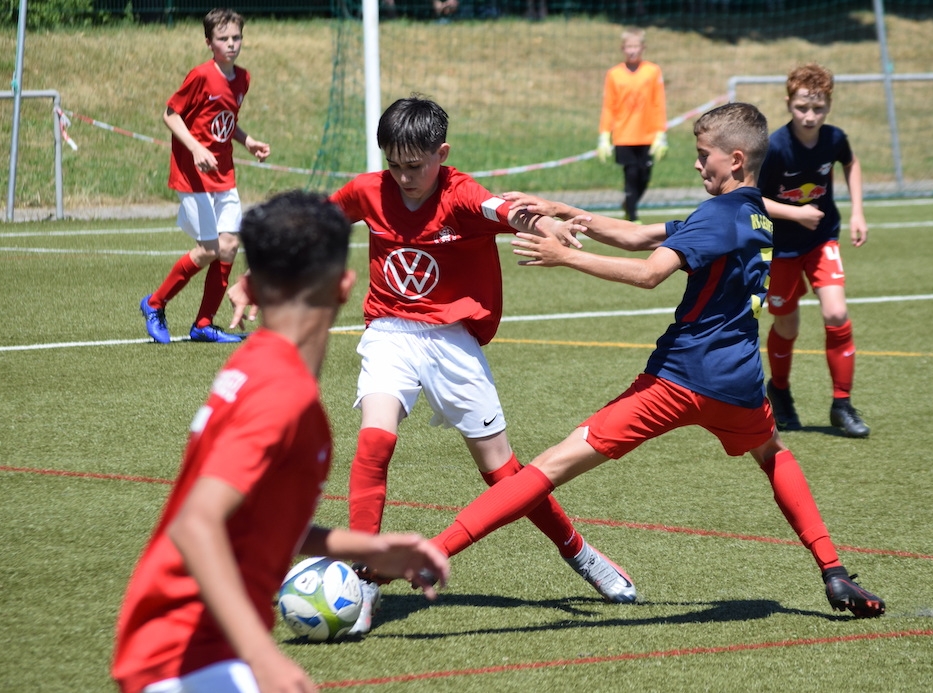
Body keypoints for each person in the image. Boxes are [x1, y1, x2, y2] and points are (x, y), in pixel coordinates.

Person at [428, 102, 885, 620]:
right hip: (739, 386)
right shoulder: (754, 215)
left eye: (703, 155)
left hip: (678, 380)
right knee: (773, 453)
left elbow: (649, 272)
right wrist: (559, 208)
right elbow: (638, 234)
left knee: (550, 466)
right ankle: (833, 571)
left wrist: (567, 256)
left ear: (735, 159)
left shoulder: (716, 215)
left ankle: (430, 552)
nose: (697, 163)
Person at [229, 95, 636, 637]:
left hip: (453, 342)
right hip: (389, 332)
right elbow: (309, 227)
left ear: (441, 154)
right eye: (394, 165)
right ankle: (364, 580)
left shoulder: (461, 194)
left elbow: (505, 210)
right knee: (375, 441)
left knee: (504, 474)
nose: (404, 177)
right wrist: (255, 278)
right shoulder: (368, 190)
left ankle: (578, 551)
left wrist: (542, 223)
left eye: (415, 165)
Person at [112, 190, 450, 693]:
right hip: (184, 659)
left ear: (250, 286)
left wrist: (370, 548)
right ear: (345, 286)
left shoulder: (256, 364)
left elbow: (257, 524)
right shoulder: (282, 393)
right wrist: (264, 658)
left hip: (183, 651)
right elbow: (196, 524)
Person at [139, 8, 270, 345]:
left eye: (236, 37)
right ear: (209, 42)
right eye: (223, 38)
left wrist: (247, 141)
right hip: (193, 174)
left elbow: (226, 121)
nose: (231, 43)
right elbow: (171, 115)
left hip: (224, 173)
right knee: (209, 249)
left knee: (228, 247)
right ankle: (154, 304)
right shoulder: (199, 76)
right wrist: (196, 148)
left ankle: (203, 324)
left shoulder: (243, 79)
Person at [758, 63, 870, 438]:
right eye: (802, 107)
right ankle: (780, 390)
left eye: (818, 108)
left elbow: (851, 164)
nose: (810, 116)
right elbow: (752, 198)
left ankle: (842, 404)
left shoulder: (834, 139)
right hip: (780, 247)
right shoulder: (775, 147)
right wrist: (796, 213)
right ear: (788, 103)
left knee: (836, 313)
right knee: (787, 325)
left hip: (822, 238)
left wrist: (857, 212)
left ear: (829, 106)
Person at [597, 27, 668, 222]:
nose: (632, 51)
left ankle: (629, 204)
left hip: (648, 135)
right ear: (622, 48)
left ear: (643, 47)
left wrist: (661, 133)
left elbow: (658, 103)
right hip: (624, 135)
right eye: (628, 46)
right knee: (631, 175)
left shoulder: (652, 71)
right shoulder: (614, 74)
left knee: (644, 177)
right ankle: (632, 216)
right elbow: (609, 106)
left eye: (635, 46)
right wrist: (604, 135)